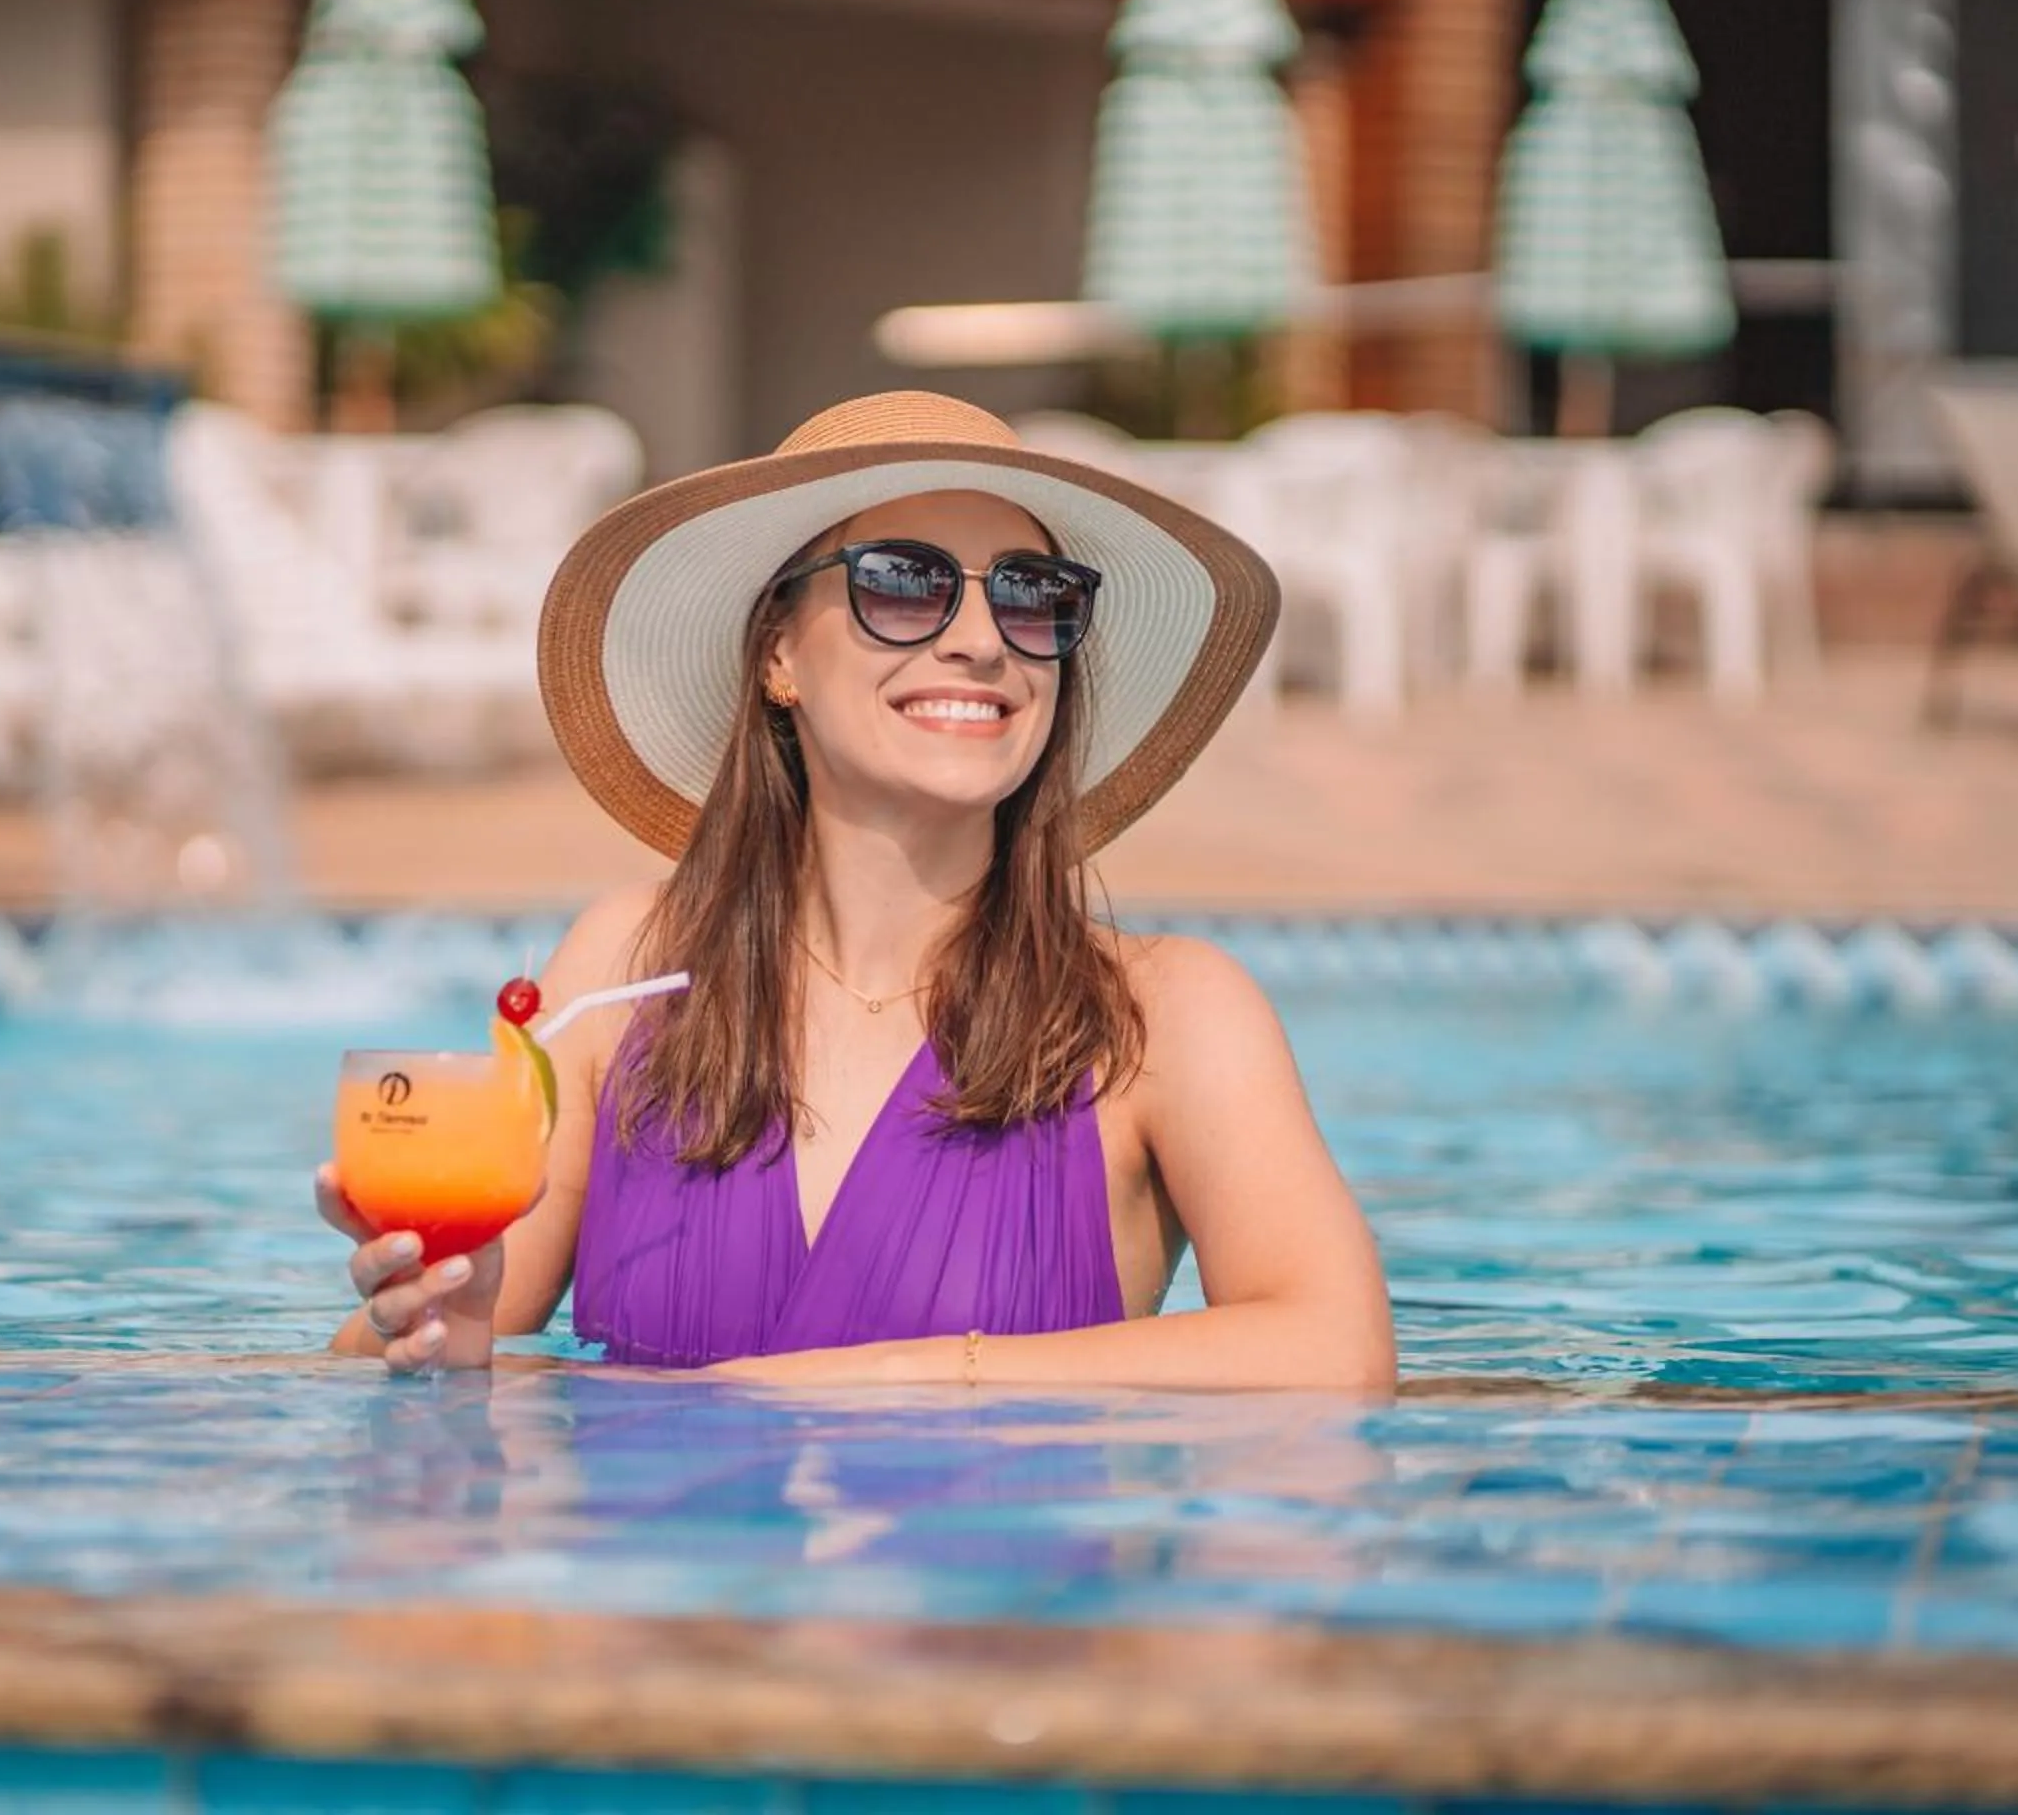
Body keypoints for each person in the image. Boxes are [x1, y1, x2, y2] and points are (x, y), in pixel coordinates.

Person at [322, 392, 1393, 1391]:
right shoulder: (627, 967)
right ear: (778, 652)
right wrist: (427, 1323)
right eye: (903, 582)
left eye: (1031, 596)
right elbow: (415, 1360)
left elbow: (1337, 1348)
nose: (979, 639)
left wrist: (895, 1377)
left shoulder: (1168, 1014)